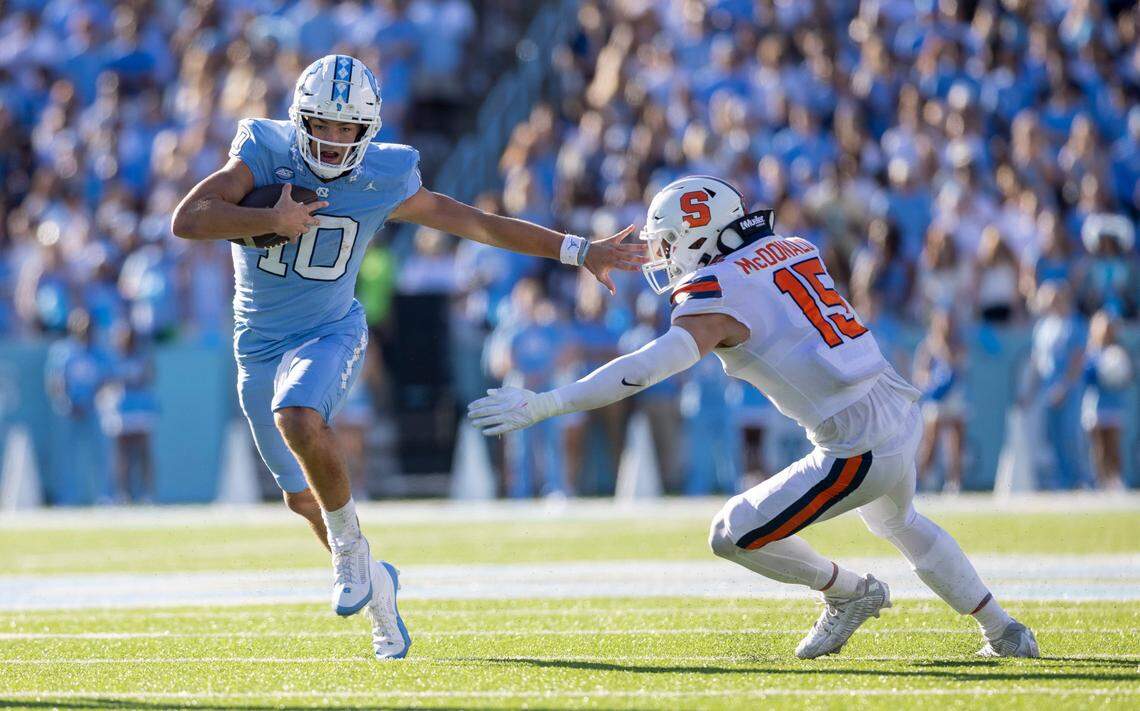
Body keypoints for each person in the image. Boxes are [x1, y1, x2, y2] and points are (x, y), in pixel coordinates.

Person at [170, 55, 643, 661]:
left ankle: (348, 552)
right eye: (324, 125)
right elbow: (188, 219)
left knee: (297, 417)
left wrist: (579, 250)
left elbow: (478, 225)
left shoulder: (385, 175)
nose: (336, 140)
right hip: (255, 344)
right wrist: (271, 218)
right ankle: (379, 590)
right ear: (299, 119)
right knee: (299, 497)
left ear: (368, 131)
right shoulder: (263, 150)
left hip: (328, 328)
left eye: (349, 129)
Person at [469, 176, 1039, 660]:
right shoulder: (793, 246)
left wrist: (547, 402)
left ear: (701, 234)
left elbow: (644, 369)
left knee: (732, 534)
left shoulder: (714, 291)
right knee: (900, 523)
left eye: (670, 242)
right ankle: (1004, 629)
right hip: (891, 402)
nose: (664, 256)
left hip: (855, 441)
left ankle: (847, 592)